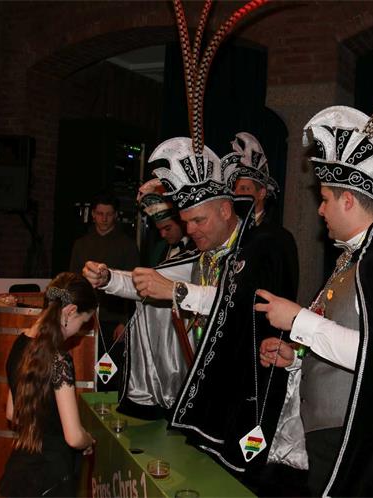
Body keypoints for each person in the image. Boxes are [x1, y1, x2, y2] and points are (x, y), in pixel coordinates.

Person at [255, 105, 373, 496]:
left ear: (348, 200)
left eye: (325, 199)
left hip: (357, 439)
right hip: (332, 436)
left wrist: (298, 321)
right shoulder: (358, 259)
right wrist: (297, 358)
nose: (320, 209)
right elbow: (358, 344)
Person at [84, 136, 296, 476]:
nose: (190, 230)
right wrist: (108, 278)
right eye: (186, 221)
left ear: (225, 210)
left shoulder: (264, 246)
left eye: (198, 221)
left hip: (247, 394)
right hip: (205, 391)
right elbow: (152, 281)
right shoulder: (204, 255)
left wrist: (178, 292)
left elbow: (243, 304)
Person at [0, 272, 97, 497]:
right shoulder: (60, 360)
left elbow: (12, 414)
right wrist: (88, 440)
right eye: (83, 322)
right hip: (52, 478)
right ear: (70, 311)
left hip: (20, 472)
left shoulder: (19, 343)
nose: (80, 331)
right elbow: (73, 437)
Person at [69, 193, 138, 390]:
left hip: (114, 321)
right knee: (85, 370)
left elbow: (134, 286)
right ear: (93, 214)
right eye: (100, 214)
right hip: (85, 320)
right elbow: (73, 282)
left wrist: (125, 322)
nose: (104, 218)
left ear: (115, 215)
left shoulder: (127, 245)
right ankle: (84, 408)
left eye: (108, 214)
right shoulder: (81, 244)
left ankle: (106, 408)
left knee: (108, 376)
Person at [223, 132, 299, 298]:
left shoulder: (279, 237)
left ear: (262, 193)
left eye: (245, 189)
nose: (237, 194)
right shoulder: (228, 232)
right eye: (235, 189)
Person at [138, 181, 194, 266]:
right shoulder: (158, 249)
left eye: (167, 228)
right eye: (159, 230)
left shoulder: (197, 245)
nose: (163, 235)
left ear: (182, 223)